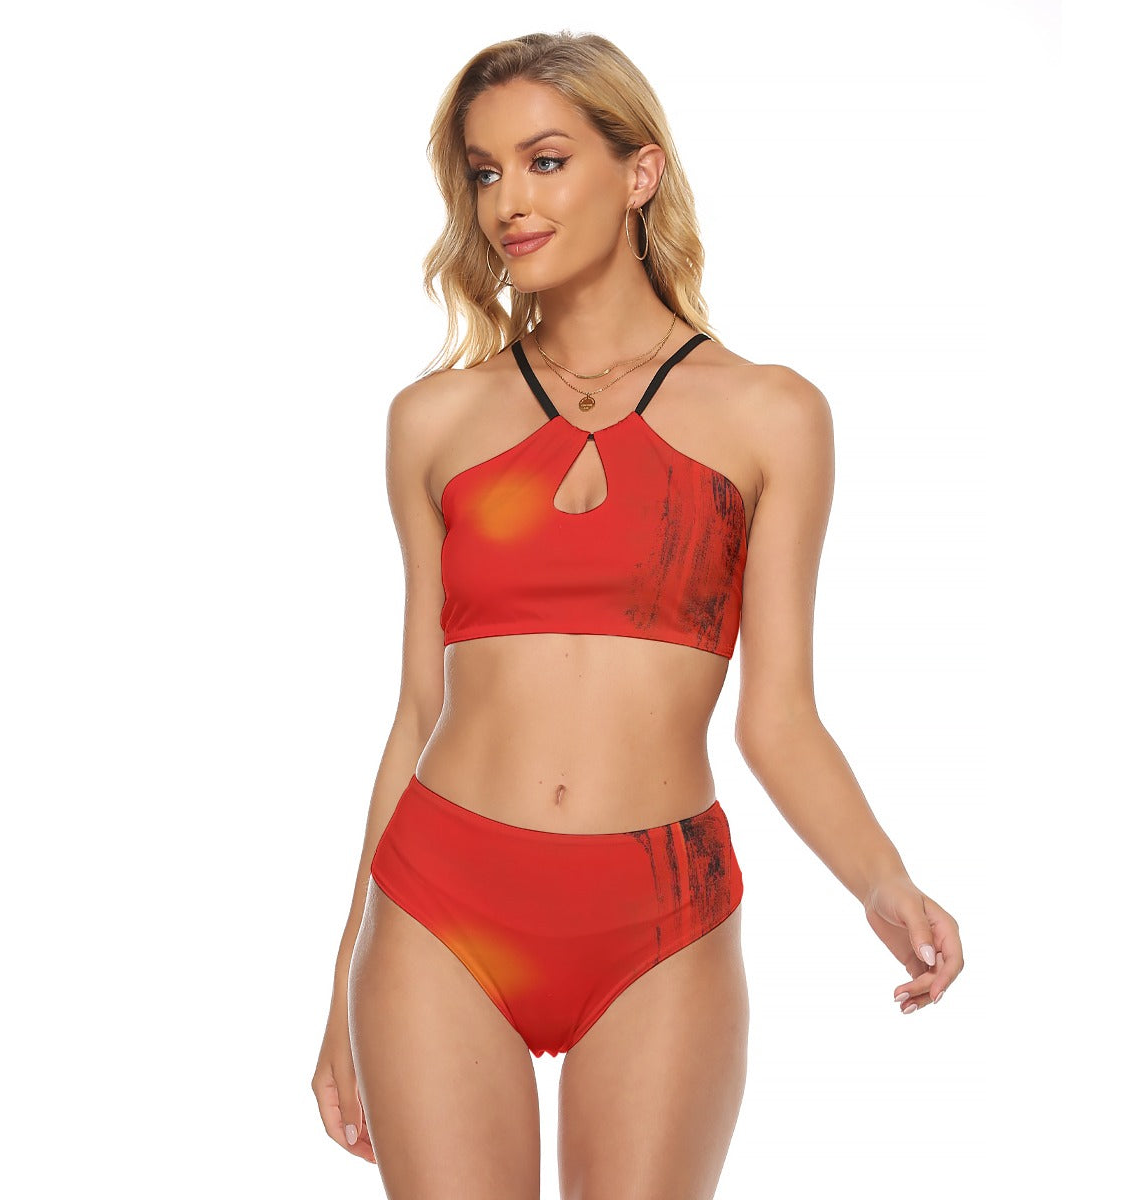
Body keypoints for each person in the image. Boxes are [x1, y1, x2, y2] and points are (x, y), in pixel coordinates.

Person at [311, 29, 964, 1199]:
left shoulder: (771, 415)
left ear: (639, 171)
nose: (509, 201)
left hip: (661, 915)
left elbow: (779, 717)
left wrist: (884, 881)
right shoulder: (433, 420)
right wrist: (337, 993)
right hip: (441, 904)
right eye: (485, 171)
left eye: (546, 160)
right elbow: (417, 709)